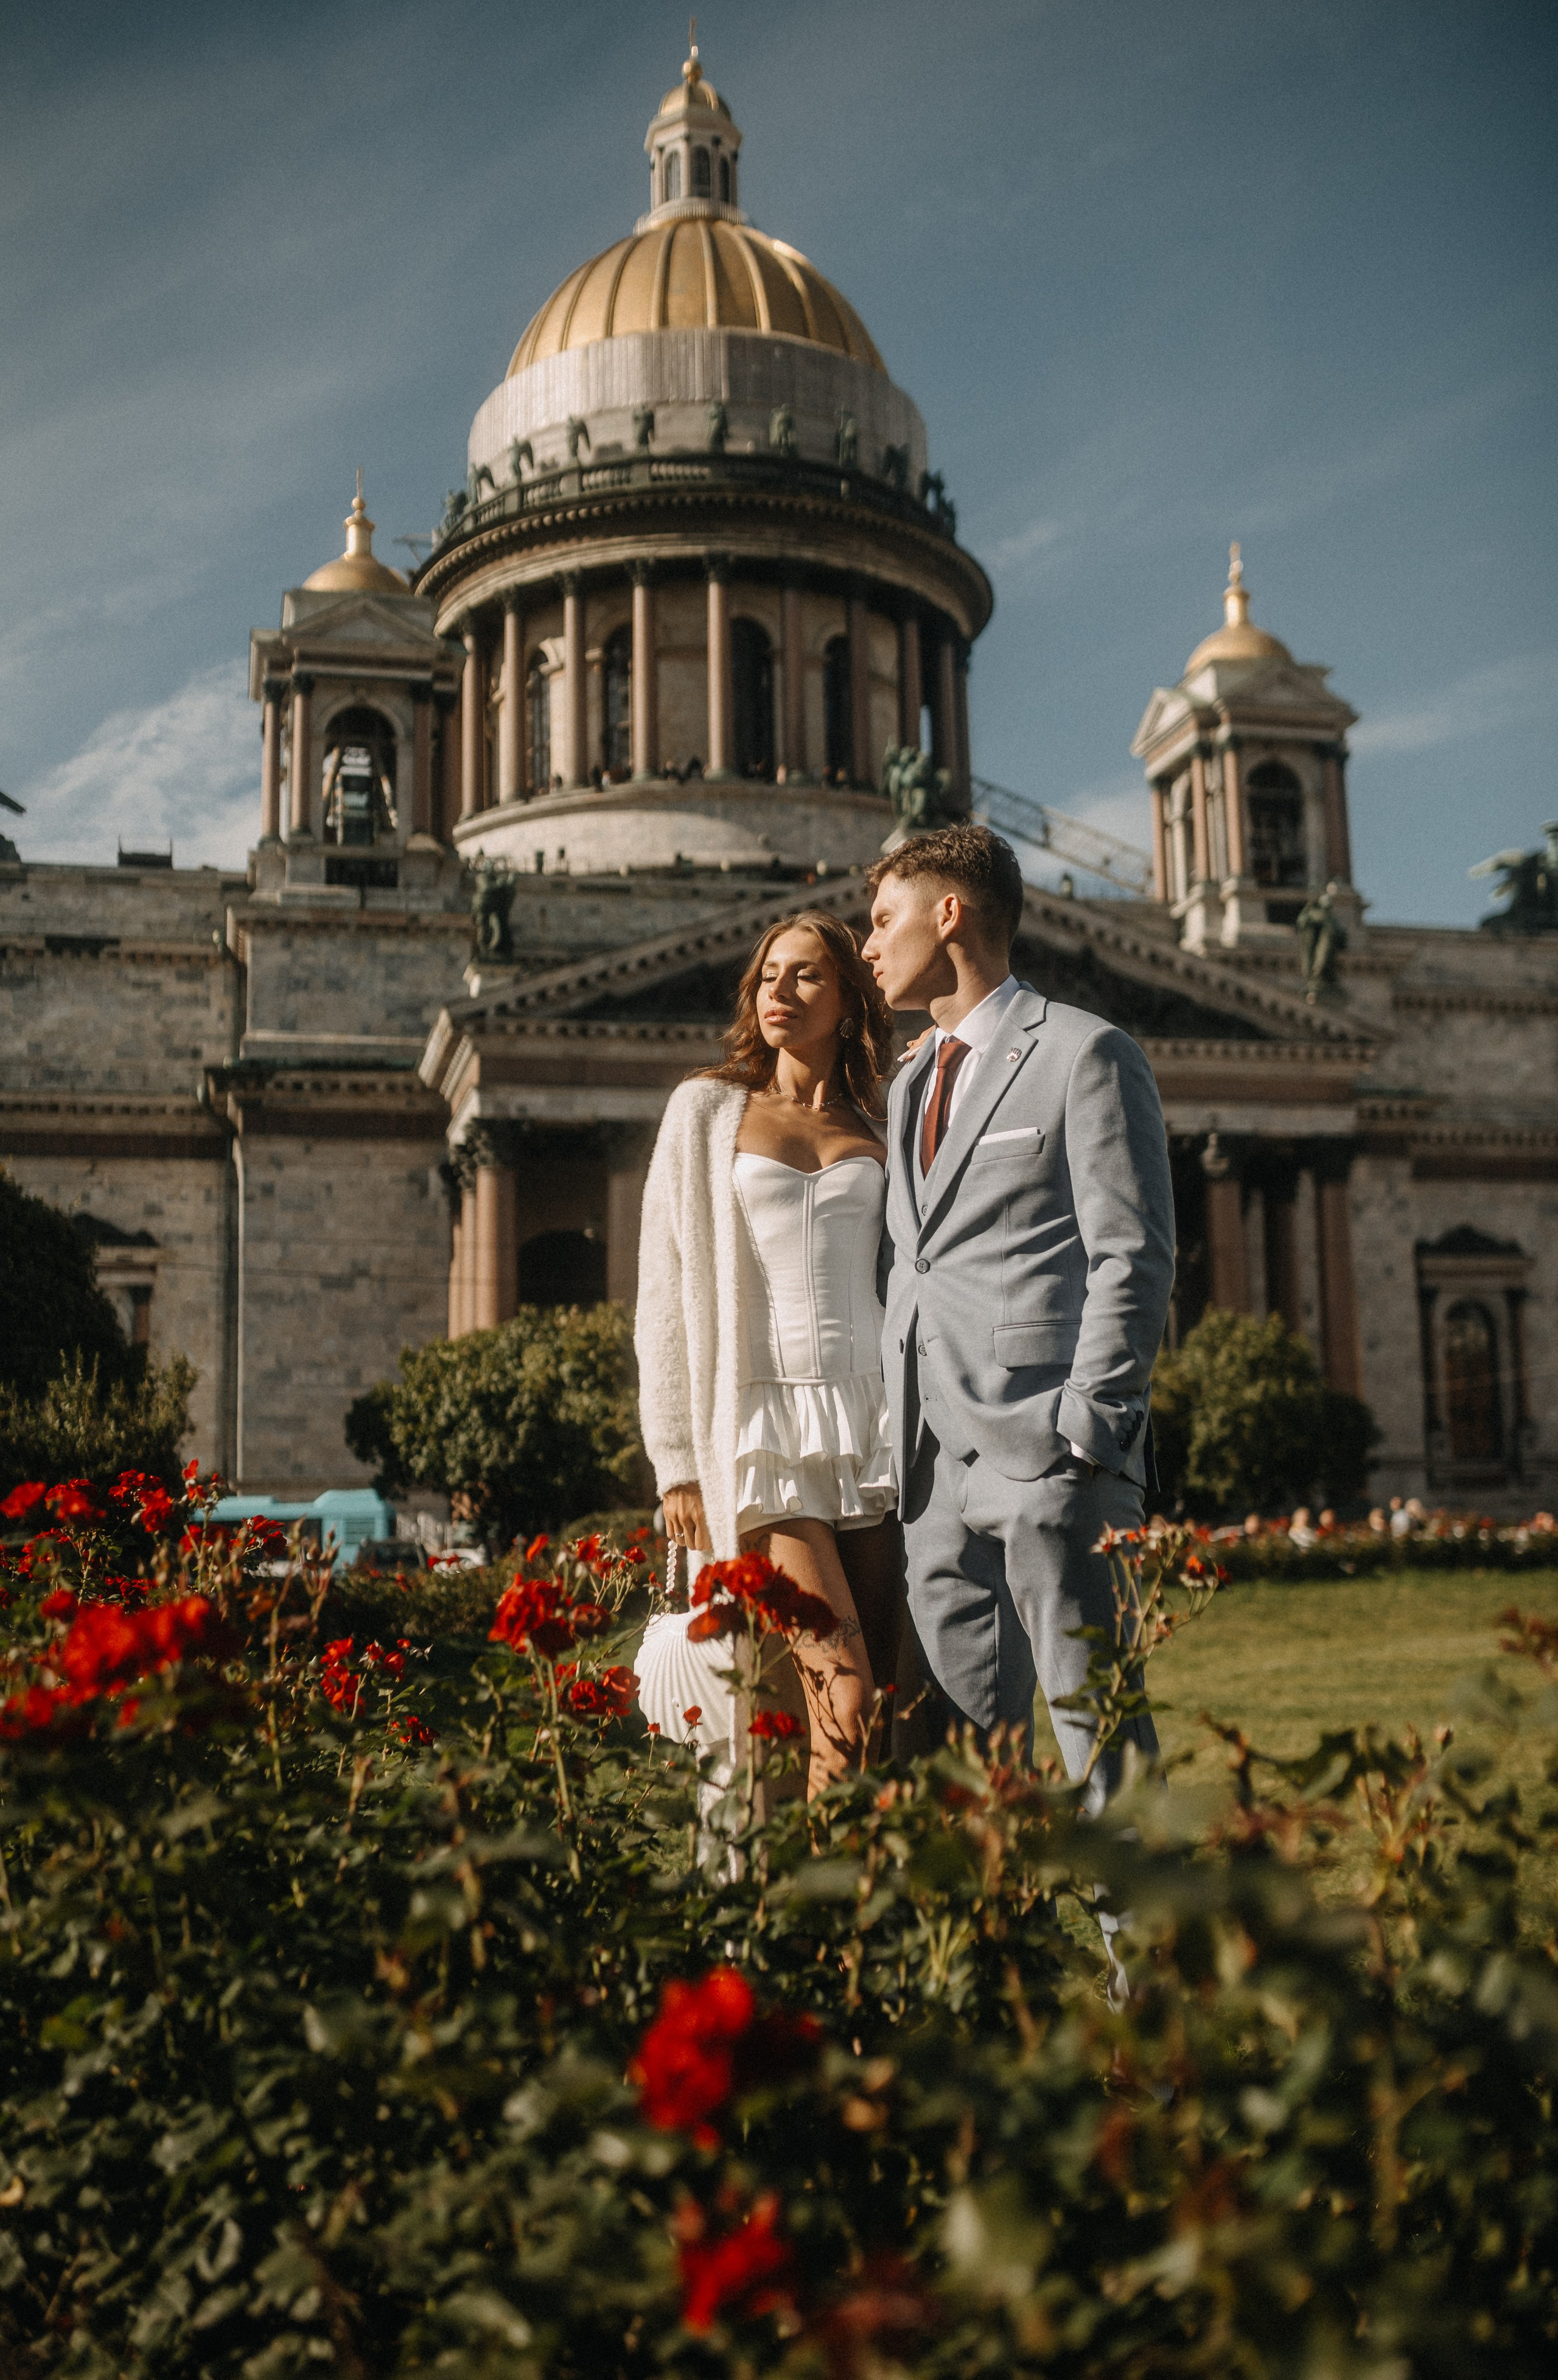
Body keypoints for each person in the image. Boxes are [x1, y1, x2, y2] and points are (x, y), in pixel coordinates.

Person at [861, 822, 1176, 1811]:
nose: (866, 946)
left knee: (1100, 1749)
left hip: (1049, 1458)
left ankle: (1147, 1968)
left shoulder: (1086, 1052)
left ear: (948, 913)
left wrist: (1087, 1429)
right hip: (930, 1476)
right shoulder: (909, 1079)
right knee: (963, 1776)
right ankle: (997, 1964)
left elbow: (1133, 1254)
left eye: (881, 920)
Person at [635, 910, 923, 1796]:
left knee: (858, 1704)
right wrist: (677, 1459)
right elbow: (664, 1289)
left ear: (848, 1003)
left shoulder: (881, 1120)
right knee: (849, 1689)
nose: (778, 993)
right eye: (768, 976)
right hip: (757, 1429)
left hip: (868, 1417)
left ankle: (826, 1919)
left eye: (804, 977)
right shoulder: (706, 1112)